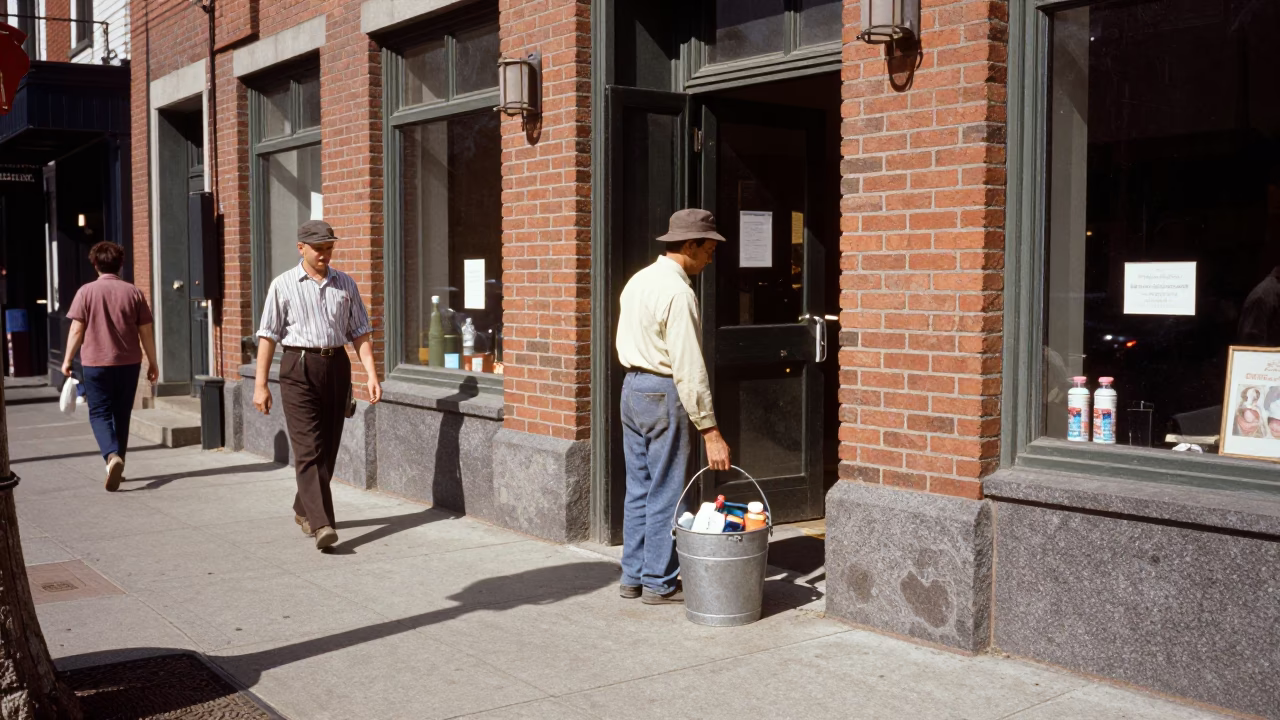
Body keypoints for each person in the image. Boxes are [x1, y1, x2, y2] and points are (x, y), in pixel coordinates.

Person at [614, 208, 732, 605]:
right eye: (709, 247)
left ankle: (632, 577)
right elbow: (688, 366)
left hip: (632, 387)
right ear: (689, 245)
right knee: (668, 490)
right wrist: (710, 429)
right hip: (663, 390)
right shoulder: (679, 292)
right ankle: (658, 582)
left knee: (640, 488)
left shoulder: (639, 280)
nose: (712, 255)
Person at [254, 220, 382, 551]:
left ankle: (303, 506)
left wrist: (371, 374)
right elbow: (268, 337)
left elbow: (360, 332)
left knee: (328, 447)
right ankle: (322, 523)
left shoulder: (346, 284)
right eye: (319, 249)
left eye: (329, 248)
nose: (325, 254)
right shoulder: (282, 285)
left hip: (336, 365)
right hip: (298, 366)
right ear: (302, 249)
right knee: (308, 447)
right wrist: (260, 385)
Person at [61, 241, 159, 491]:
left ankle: (111, 456)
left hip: (95, 363)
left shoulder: (86, 292)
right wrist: (153, 361)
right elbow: (146, 331)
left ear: (95, 264)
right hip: (129, 362)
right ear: (121, 264)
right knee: (121, 414)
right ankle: (119, 461)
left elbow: (76, 329)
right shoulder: (134, 292)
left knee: (99, 413)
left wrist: (67, 360)